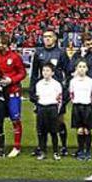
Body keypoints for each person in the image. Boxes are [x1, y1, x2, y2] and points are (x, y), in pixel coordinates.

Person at [29, 29, 70, 157]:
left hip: (56, 92)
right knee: (41, 121)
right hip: (43, 92)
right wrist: (32, 92)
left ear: (55, 38)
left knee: (59, 120)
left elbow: (68, 73)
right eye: (45, 36)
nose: (47, 39)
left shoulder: (61, 53)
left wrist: (65, 91)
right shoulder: (38, 53)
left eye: (49, 36)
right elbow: (34, 73)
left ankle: (63, 146)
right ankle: (41, 147)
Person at [0, 33, 27, 157]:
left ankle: (17, 146)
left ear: (6, 44)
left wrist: (11, 80)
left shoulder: (15, 57)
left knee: (15, 119)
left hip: (12, 91)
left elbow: (23, 73)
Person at [33, 62, 64, 160]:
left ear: (52, 73)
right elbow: (38, 97)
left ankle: (55, 152)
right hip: (42, 108)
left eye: (47, 71)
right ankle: (43, 151)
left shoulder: (56, 84)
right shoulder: (39, 84)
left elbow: (59, 99)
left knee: (54, 132)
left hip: (52, 108)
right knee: (42, 132)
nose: (45, 73)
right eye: (43, 70)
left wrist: (56, 111)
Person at [68, 60, 92, 161]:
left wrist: (89, 104)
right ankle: (80, 150)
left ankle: (88, 151)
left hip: (87, 107)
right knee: (80, 130)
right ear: (76, 68)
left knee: (87, 130)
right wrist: (75, 102)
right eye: (79, 66)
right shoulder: (73, 81)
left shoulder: (90, 81)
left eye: (84, 66)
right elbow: (71, 94)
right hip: (77, 107)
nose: (81, 69)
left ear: (87, 69)